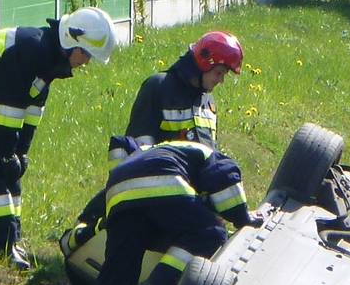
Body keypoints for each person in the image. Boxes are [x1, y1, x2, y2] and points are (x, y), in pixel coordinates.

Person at [0, 7, 117, 269]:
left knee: (11, 170)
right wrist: (6, 153)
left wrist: (21, 153)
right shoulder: (33, 50)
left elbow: (32, 108)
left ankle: (12, 240)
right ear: (71, 40)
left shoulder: (49, 57)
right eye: (86, 54)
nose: (86, 62)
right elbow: (8, 106)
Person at [61, 30, 244, 252]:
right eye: (219, 72)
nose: (221, 80)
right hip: (155, 193)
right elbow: (138, 154)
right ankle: (79, 237)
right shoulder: (159, 87)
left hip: (187, 199)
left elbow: (210, 159)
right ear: (205, 63)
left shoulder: (208, 102)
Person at [83, 140, 261, 285]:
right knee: (211, 233)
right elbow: (224, 181)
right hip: (163, 179)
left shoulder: (162, 149)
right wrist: (243, 217)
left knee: (118, 271)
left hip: (118, 192)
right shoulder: (214, 157)